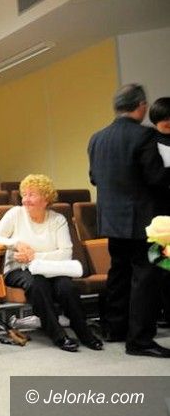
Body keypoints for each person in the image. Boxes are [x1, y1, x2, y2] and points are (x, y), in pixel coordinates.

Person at [88, 84, 170, 358]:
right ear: (141, 106)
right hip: (144, 220)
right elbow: (156, 177)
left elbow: (94, 178)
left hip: (112, 220)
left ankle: (116, 328)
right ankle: (140, 340)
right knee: (146, 278)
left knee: (119, 274)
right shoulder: (145, 135)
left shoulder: (97, 138)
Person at [0, 174, 103, 352]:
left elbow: (65, 253)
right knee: (37, 284)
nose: (26, 199)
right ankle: (58, 335)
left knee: (67, 287)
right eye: (24, 194)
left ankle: (84, 332)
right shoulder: (15, 214)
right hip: (18, 269)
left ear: (46, 199)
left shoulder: (57, 220)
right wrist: (15, 243)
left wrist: (34, 257)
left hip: (51, 269)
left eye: (32, 195)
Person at [149, 97, 170, 325]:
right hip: (159, 213)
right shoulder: (150, 141)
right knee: (164, 265)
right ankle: (163, 312)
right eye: (164, 117)